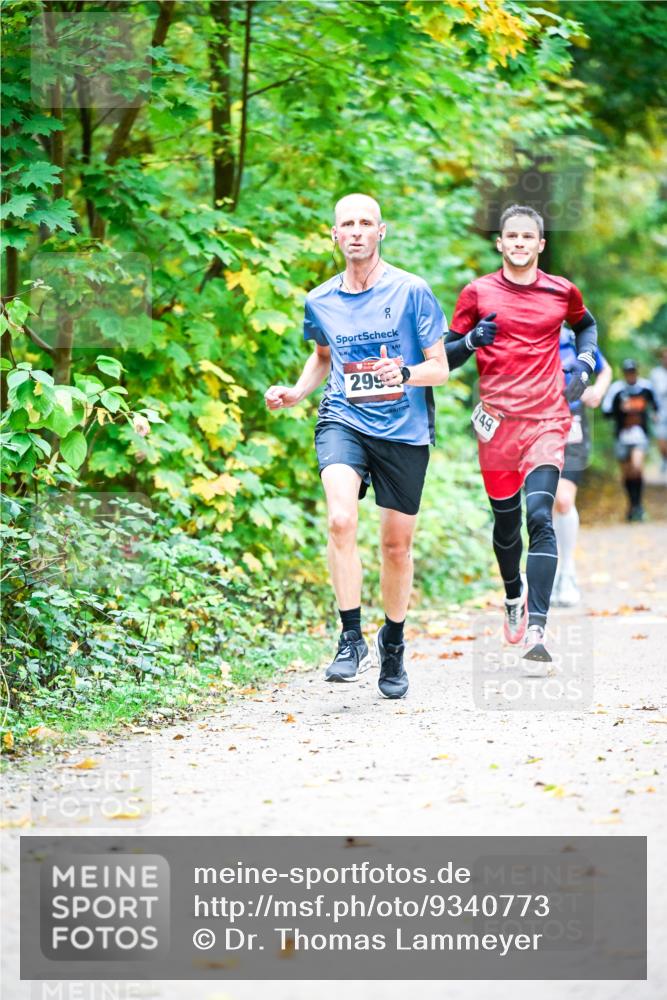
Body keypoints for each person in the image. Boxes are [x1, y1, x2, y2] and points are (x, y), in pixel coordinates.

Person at [265, 193, 448, 700]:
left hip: (405, 429)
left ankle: (393, 642)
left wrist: (405, 373)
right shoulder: (320, 299)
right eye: (347, 223)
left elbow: (442, 368)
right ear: (335, 235)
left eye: (366, 222)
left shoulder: (413, 291)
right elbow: (323, 357)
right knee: (341, 520)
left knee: (396, 546)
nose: (357, 231)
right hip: (343, 418)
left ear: (381, 231)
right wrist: (297, 391)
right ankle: (351, 638)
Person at [445, 204, 598, 669]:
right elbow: (445, 357)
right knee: (507, 523)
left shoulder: (561, 291)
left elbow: (586, 326)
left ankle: (537, 626)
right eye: (510, 236)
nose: (518, 243)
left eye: (527, 237)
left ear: (540, 244)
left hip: (548, 419)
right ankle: (513, 592)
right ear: (500, 242)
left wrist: (586, 365)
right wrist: (471, 342)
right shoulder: (477, 293)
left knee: (540, 513)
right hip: (497, 425)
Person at [552, 325, 612, 607]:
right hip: (532, 424)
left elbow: (605, 369)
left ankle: (567, 573)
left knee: (563, 500)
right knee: (543, 503)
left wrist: (597, 390)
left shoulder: (572, 336)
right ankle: (546, 574)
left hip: (572, 425)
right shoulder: (523, 330)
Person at [602, 360, 658, 521]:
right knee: (627, 473)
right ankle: (632, 505)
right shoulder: (617, 389)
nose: (631, 375)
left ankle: (639, 505)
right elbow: (606, 411)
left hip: (640, 435)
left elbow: (656, 405)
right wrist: (620, 410)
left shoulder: (646, 388)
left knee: (637, 467)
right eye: (628, 372)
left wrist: (654, 414)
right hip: (622, 436)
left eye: (633, 371)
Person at [650, 347, 667, 479]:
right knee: (661, 440)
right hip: (661, 412)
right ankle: (664, 458)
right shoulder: (655, 374)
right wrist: (653, 411)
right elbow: (651, 395)